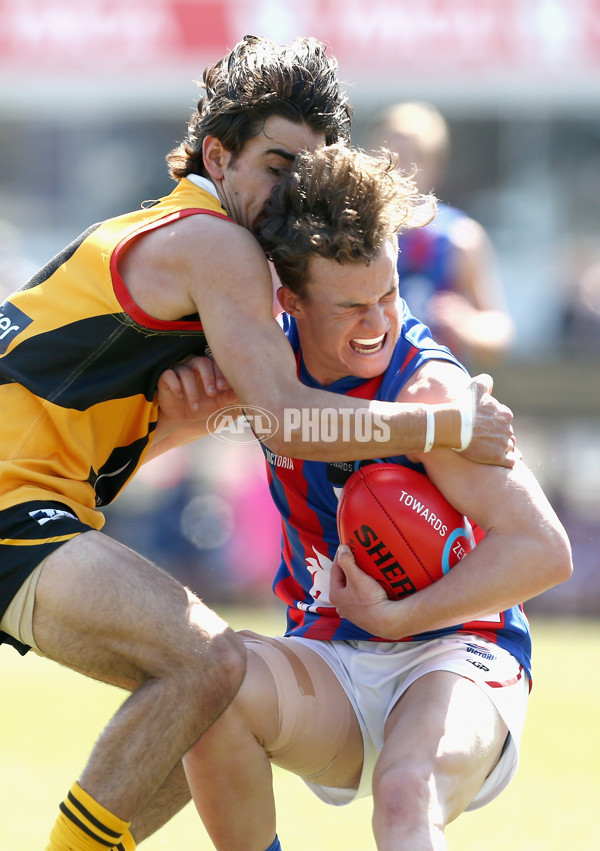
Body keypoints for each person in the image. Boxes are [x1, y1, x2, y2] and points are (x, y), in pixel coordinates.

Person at [0, 36, 516, 851]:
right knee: (208, 664)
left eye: (305, 174)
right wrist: (441, 424)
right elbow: (289, 421)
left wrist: (192, 414)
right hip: (11, 502)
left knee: (208, 679)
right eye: (276, 165)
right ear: (218, 152)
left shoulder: (167, 226)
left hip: (36, 502)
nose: (289, 195)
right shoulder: (220, 244)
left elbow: (110, 437)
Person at [173, 144, 572, 851]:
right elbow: (159, 434)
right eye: (351, 305)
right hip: (332, 650)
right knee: (205, 689)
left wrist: (401, 617)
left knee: (405, 790)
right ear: (289, 300)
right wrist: (182, 400)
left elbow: (543, 550)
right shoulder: (264, 367)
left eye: (388, 294)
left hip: (456, 651)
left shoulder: (432, 395)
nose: (378, 323)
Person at [368, 101, 514, 366]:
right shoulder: (357, 231)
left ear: (434, 165)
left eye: (415, 155)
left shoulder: (460, 237)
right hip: (373, 389)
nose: (402, 166)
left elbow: (499, 331)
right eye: (392, 153)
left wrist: (468, 324)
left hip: (438, 387)